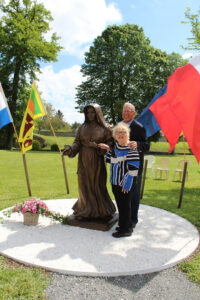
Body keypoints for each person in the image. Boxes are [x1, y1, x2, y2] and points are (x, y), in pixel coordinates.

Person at [62, 103, 116, 220]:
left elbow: (110, 144)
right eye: (88, 113)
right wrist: (71, 149)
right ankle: (84, 211)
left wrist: (98, 146)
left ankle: (101, 212)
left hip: (97, 161)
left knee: (97, 185)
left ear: (98, 113)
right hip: (83, 161)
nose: (90, 115)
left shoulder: (105, 128)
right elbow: (77, 142)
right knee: (84, 185)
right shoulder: (82, 128)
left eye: (92, 112)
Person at [99, 122, 140, 238]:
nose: (121, 135)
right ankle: (122, 224)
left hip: (125, 183)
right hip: (115, 182)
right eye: (118, 132)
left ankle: (125, 230)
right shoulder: (116, 148)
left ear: (128, 135)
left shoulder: (131, 148)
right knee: (120, 206)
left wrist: (126, 184)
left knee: (125, 206)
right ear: (115, 135)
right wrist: (108, 149)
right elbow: (110, 161)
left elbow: (133, 170)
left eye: (123, 132)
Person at [122, 102, 149, 229]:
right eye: (124, 111)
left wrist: (138, 144)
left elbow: (147, 145)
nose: (126, 113)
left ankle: (132, 221)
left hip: (134, 167)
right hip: (121, 166)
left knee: (133, 194)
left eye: (128, 111)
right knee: (122, 194)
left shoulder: (139, 127)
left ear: (133, 113)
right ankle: (124, 219)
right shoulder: (120, 126)